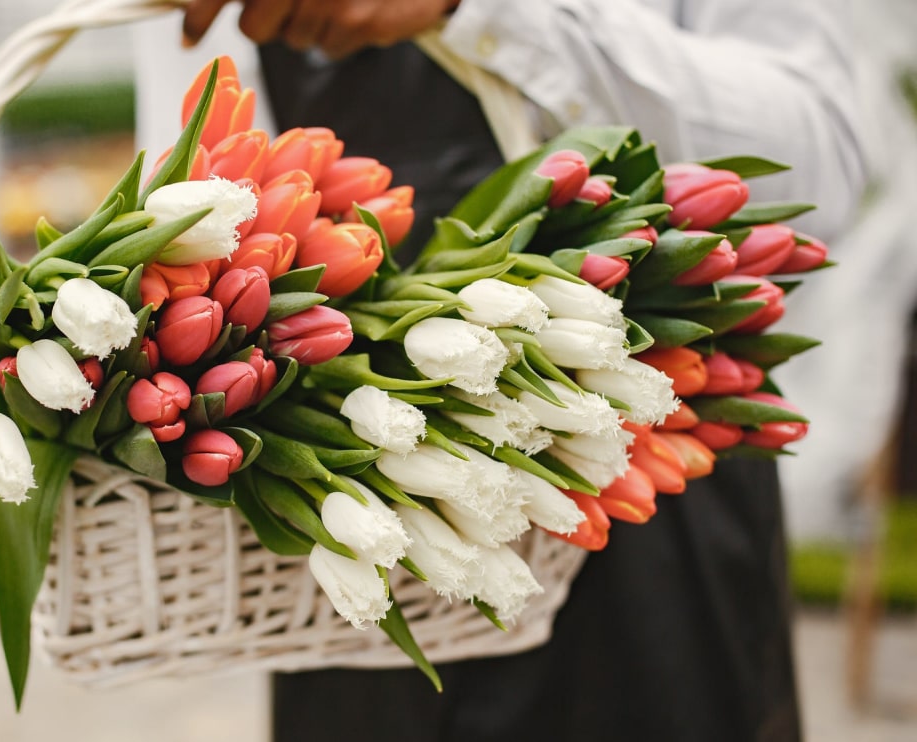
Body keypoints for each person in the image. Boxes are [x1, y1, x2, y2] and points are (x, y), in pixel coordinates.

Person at [133, 2, 866, 739]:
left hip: (645, 466)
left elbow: (821, 159)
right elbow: (192, 219)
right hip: (366, 521)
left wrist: (480, 12)